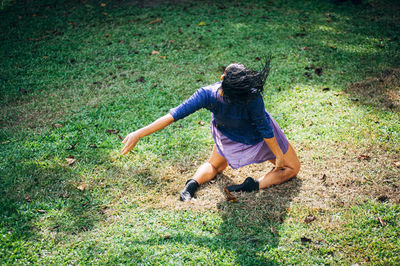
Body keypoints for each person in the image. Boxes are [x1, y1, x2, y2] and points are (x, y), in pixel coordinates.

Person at [121, 58, 300, 201]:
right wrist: (278, 155)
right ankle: (254, 185)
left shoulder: (207, 94)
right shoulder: (252, 96)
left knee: (214, 165)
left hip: (227, 136)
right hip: (257, 138)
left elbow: (172, 116)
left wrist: (139, 133)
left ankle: (191, 185)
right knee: (292, 168)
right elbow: (265, 129)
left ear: (222, 79)